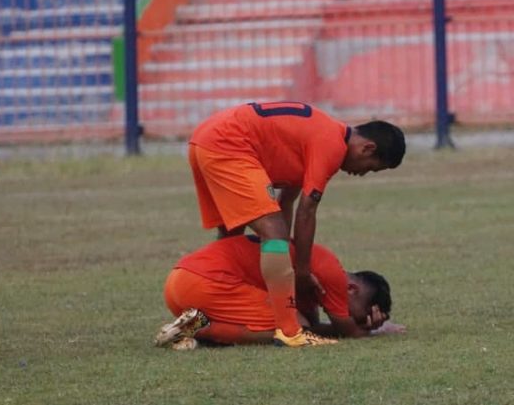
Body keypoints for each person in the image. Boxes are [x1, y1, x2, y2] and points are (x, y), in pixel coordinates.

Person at [186, 101, 405, 347]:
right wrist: (301, 270)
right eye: (371, 168)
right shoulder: (332, 146)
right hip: (228, 142)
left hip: (205, 138)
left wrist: (285, 257)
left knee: (233, 235)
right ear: (368, 148)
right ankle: (290, 331)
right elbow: (306, 211)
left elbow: (286, 202)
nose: (362, 174)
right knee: (273, 234)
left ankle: (205, 315)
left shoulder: (318, 133)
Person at [154, 235, 403, 349]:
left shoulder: (314, 278)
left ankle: (194, 324)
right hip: (207, 282)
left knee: (297, 325)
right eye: (360, 315)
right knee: (293, 331)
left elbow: (316, 327)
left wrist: (362, 327)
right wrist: (370, 331)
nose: (354, 320)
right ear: (352, 289)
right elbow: (332, 330)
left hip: (179, 282)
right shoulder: (332, 274)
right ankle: (197, 329)